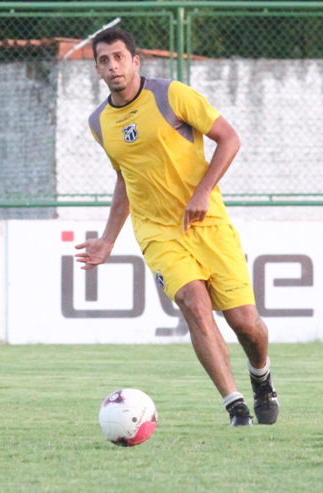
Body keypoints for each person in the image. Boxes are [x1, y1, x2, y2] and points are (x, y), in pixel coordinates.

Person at [75, 28, 279, 427]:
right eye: (104, 60)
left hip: (208, 224)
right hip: (157, 232)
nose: (112, 66)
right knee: (193, 303)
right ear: (98, 70)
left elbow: (229, 139)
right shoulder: (100, 123)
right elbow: (125, 178)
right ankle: (235, 406)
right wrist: (107, 239)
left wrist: (203, 192)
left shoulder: (171, 95)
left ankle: (261, 377)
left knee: (245, 324)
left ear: (136, 61)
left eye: (119, 57)